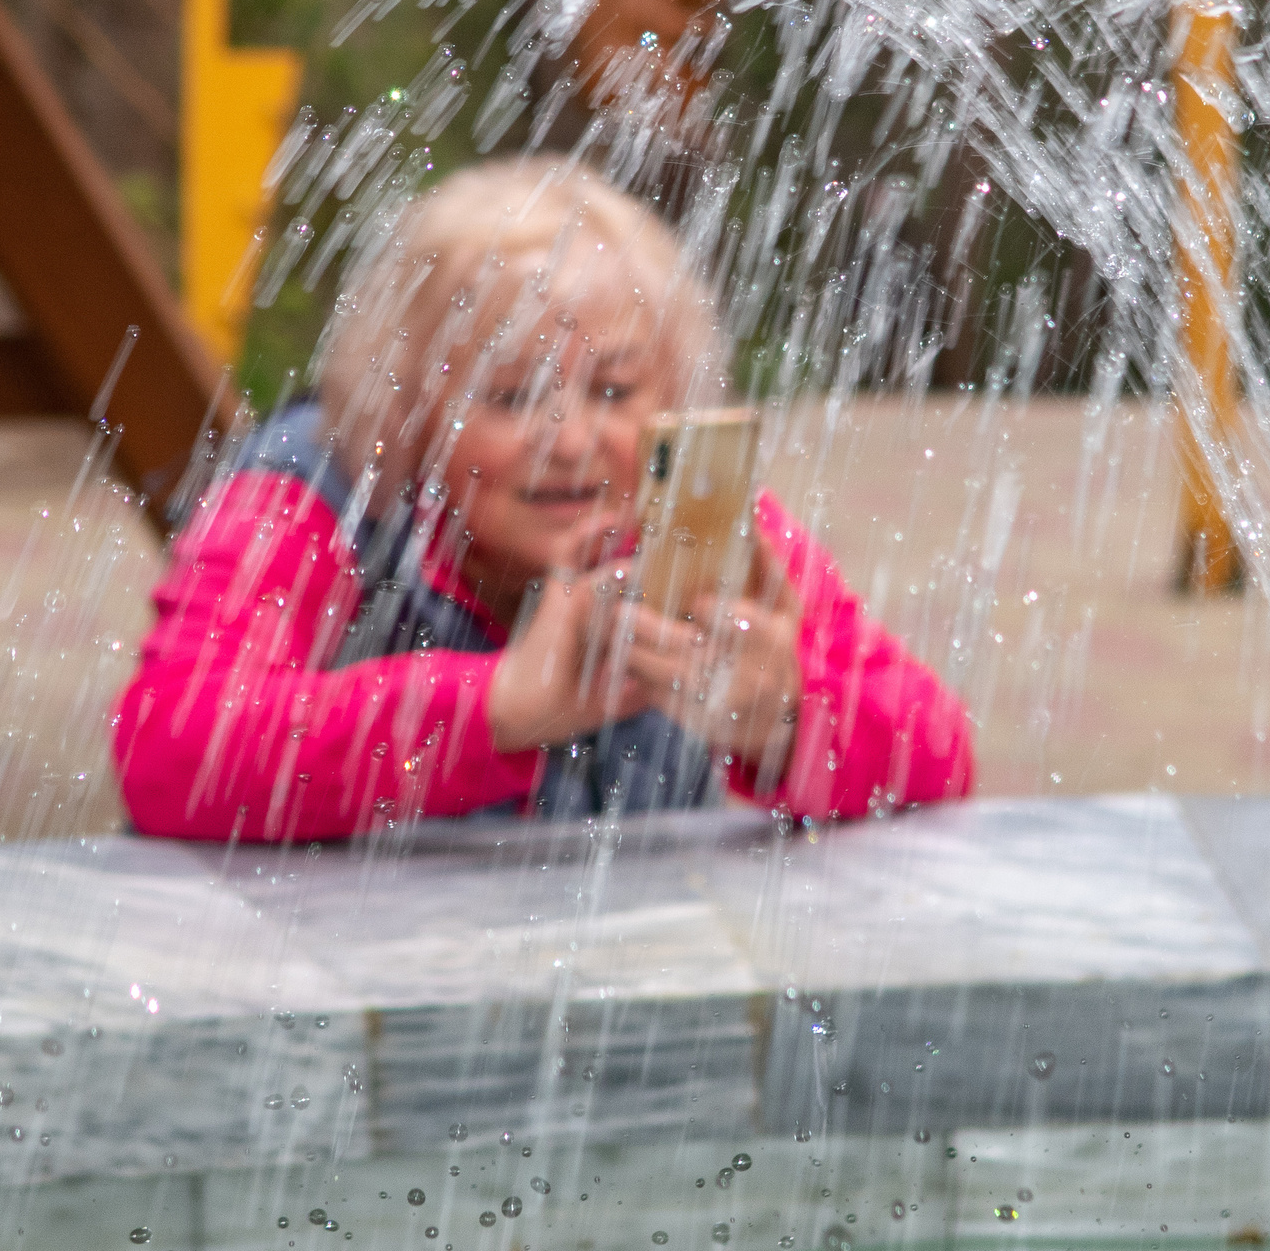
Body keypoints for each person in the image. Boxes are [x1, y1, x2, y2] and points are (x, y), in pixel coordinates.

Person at [111, 157, 974, 841]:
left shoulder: (682, 512)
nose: (569, 442)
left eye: (613, 391)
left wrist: (785, 722)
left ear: (673, 394)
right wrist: (496, 710)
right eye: (512, 396)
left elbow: (938, 757)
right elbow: (176, 750)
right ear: (412, 412)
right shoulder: (318, 492)